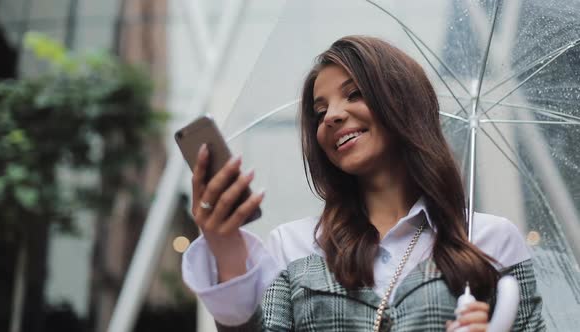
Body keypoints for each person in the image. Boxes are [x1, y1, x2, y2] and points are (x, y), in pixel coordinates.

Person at [182, 36, 545, 331]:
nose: (332, 117)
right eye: (320, 111)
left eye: (354, 94)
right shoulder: (293, 247)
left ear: (402, 102)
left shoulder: (491, 240)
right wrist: (227, 254)